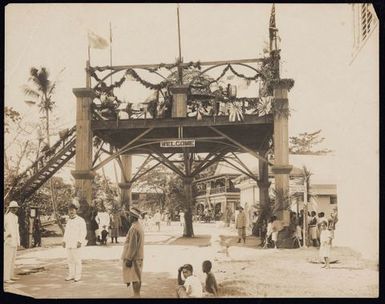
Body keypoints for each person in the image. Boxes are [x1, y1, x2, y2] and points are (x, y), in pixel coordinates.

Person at [121, 207, 145, 298]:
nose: (128, 217)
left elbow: (133, 245)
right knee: (137, 275)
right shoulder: (138, 226)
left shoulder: (134, 228)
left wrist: (129, 258)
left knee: (135, 277)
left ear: (133, 217)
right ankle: (136, 294)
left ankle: (136, 295)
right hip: (138, 255)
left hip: (134, 256)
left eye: (129, 216)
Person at [62, 198, 87, 282]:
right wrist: (64, 240)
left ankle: (77, 276)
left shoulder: (80, 220)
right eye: (69, 210)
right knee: (70, 260)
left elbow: (83, 232)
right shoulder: (69, 221)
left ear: (76, 210)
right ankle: (71, 275)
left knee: (77, 260)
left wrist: (80, 241)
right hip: (69, 243)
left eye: (72, 210)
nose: (71, 212)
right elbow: (66, 232)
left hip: (76, 243)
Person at [4, 201, 21, 284]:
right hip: (8, 240)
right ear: (10, 208)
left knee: (13, 259)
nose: (15, 209)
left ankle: (11, 275)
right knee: (7, 259)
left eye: (16, 208)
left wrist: (18, 241)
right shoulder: (6, 217)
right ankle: (5, 277)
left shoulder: (16, 217)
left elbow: (17, 230)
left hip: (14, 241)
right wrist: (6, 235)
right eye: (13, 208)